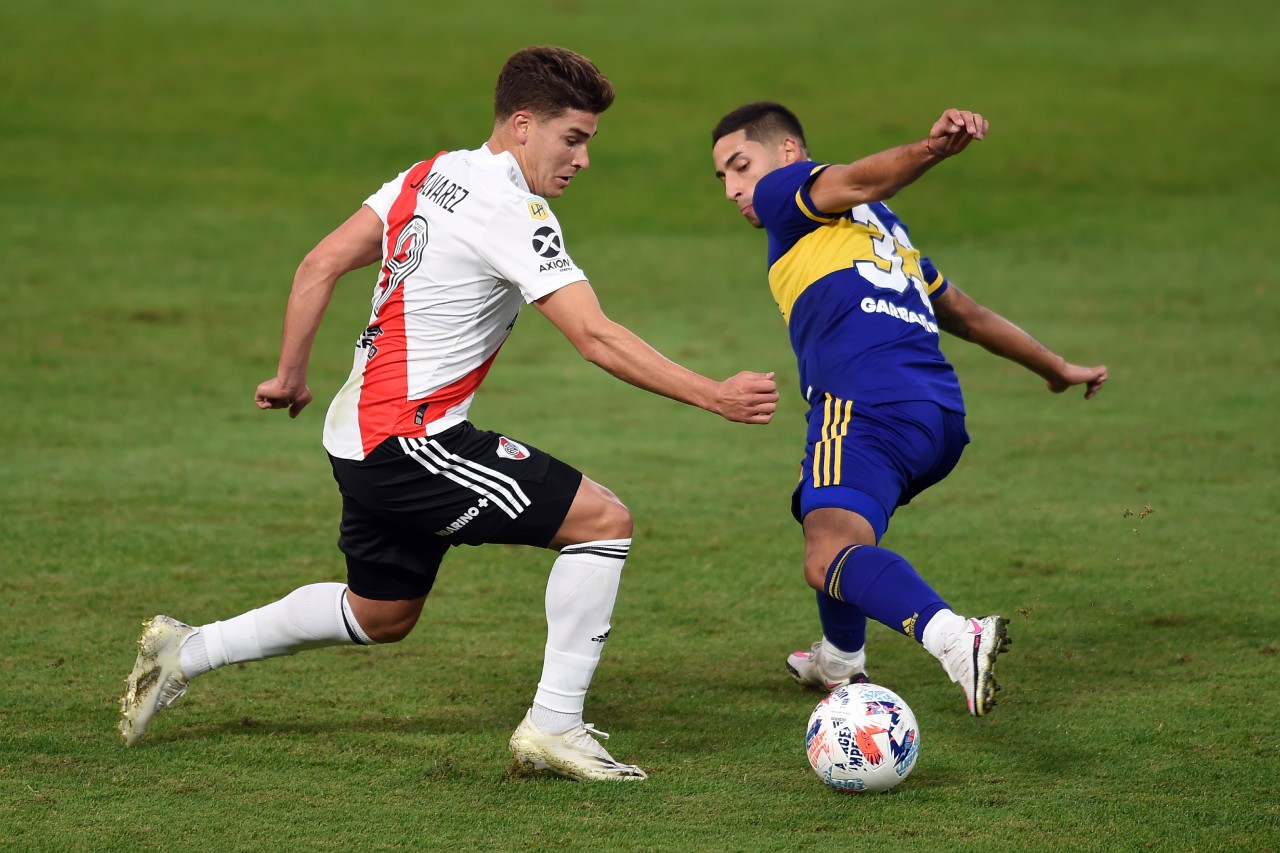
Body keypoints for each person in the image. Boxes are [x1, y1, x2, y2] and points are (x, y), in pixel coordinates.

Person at [118, 46, 780, 781]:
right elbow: (594, 336)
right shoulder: (511, 209)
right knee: (603, 521)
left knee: (382, 614)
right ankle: (553, 724)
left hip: (355, 437)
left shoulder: (432, 173)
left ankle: (188, 649)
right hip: (410, 442)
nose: (584, 160)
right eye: (575, 138)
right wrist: (713, 393)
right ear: (523, 125)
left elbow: (319, 263)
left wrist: (290, 375)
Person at [710, 102, 1107, 716]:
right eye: (723, 178)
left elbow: (857, 178)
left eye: (741, 165)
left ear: (787, 153)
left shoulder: (785, 192)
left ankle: (955, 638)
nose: (735, 188)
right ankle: (840, 660)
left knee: (826, 556)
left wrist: (930, 150)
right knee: (822, 505)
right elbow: (968, 317)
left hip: (865, 404)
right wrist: (1055, 369)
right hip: (939, 418)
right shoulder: (883, 229)